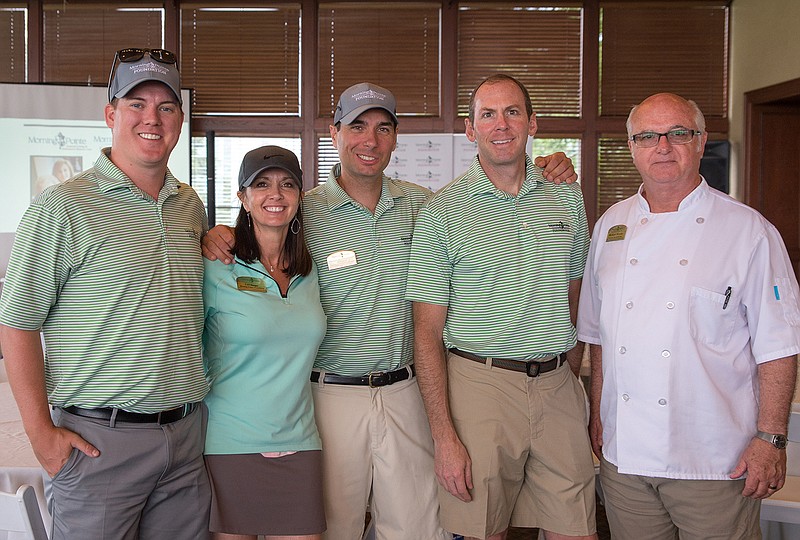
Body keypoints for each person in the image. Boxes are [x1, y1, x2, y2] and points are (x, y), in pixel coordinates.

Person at [201, 82, 578, 540]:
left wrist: (551, 166)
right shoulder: (307, 212)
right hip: (329, 397)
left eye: (383, 128)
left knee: (417, 528)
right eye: (357, 127)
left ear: (396, 138)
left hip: (407, 392)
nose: (370, 141)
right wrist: (217, 234)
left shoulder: (425, 205)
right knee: (331, 526)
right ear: (335, 132)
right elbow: (260, 231)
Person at [0, 48, 211, 540]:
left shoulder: (188, 206)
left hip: (185, 442)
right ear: (111, 115)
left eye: (166, 107)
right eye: (137, 104)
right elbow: (17, 325)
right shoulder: (61, 207)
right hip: (98, 442)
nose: (152, 119)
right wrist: (41, 437)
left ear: (180, 119)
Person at [576, 92, 800, 540]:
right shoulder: (609, 225)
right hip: (627, 460)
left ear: (701, 142)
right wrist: (599, 416)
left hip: (716, 457)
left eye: (678, 133)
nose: (662, 146)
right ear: (631, 148)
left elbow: (778, 344)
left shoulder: (748, 231)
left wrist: (772, 438)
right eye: (647, 136)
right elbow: (600, 337)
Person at [405, 74, 597, 540]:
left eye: (512, 111)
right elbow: (426, 334)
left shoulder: (565, 196)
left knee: (578, 530)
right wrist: (444, 436)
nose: (501, 124)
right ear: (471, 130)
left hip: (557, 387)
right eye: (487, 114)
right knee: (482, 532)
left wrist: (569, 373)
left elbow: (577, 299)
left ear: (532, 123)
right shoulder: (442, 211)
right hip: (479, 387)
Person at [203, 145, 327, 540]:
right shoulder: (215, 266)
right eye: (262, 184)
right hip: (230, 446)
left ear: (300, 196)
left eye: (287, 184)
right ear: (243, 197)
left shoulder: (309, 272)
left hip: (301, 441)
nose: (276, 194)